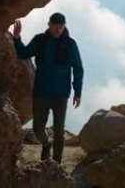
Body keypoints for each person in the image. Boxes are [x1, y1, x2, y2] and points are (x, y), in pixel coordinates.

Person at [12, 12, 83, 163]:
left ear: (64, 26)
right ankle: (46, 143)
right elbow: (23, 54)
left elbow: (78, 68)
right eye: (56, 26)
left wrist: (78, 92)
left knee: (59, 131)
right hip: (41, 93)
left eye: (61, 27)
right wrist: (17, 38)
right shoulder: (40, 40)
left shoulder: (70, 44)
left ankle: (55, 166)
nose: (58, 30)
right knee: (38, 129)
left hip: (60, 95)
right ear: (49, 25)